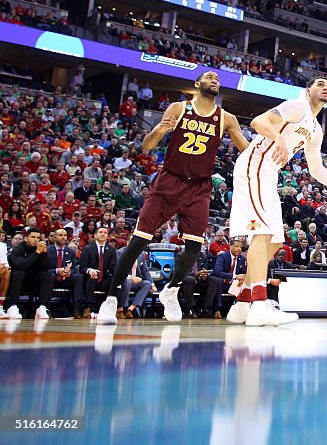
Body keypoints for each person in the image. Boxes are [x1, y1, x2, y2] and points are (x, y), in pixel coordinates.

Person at [97, 71, 249, 325]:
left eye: (217, 79)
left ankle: (172, 289)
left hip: (199, 186)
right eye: (209, 77)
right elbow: (147, 145)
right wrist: (160, 129)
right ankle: (110, 300)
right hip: (169, 180)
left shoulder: (227, 118)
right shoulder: (179, 108)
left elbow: (246, 149)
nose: (215, 80)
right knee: (138, 241)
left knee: (193, 246)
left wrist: (268, 149)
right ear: (197, 84)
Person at [230, 78, 327, 326]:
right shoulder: (298, 106)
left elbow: (315, 168)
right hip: (255, 164)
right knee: (261, 234)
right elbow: (257, 121)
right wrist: (278, 138)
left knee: (273, 241)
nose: (326, 87)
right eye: (320, 84)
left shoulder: (316, 129)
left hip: (270, 173)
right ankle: (259, 304)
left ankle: (242, 303)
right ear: (308, 91)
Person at [4, 227, 55, 319]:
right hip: (17, 282)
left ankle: (42, 307)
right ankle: (12, 307)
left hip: (33, 281)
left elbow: (45, 267)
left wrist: (43, 254)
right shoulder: (18, 249)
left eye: (38, 238)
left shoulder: (40, 248)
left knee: (47, 275)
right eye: (33, 237)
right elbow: (21, 265)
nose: (36, 240)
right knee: (19, 273)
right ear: (26, 238)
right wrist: (36, 253)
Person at [80, 225, 118, 316]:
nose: (103, 234)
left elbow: (113, 267)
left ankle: (109, 308)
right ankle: (87, 307)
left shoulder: (112, 250)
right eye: (101, 232)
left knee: (115, 280)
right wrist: (90, 270)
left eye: (105, 233)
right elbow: (82, 267)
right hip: (90, 278)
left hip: (104, 279)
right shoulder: (87, 248)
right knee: (92, 277)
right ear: (95, 235)